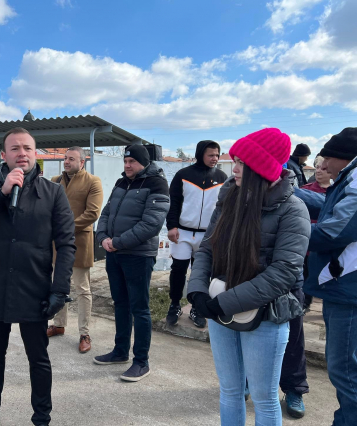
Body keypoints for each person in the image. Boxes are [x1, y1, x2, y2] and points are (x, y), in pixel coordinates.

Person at [187, 128, 310, 426]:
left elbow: (283, 273)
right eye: (235, 161)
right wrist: (197, 290)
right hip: (220, 307)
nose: (234, 168)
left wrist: (223, 303)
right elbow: (208, 248)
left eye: (243, 162)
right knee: (230, 391)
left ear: (262, 167)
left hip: (265, 316)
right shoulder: (229, 199)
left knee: (264, 398)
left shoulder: (293, 209)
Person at [0, 128, 75, 426]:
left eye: (27, 148)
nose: (21, 153)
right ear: (4, 155)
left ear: (35, 153)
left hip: (34, 287)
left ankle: (41, 417)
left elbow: (66, 245)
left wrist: (59, 290)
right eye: (14, 148)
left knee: (38, 357)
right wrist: (1, 192)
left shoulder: (53, 192)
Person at [294, 127, 357, 426]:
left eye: (327, 158)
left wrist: (288, 230)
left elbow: (335, 230)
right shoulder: (347, 178)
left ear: (344, 157)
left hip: (348, 290)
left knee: (344, 370)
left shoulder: (355, 179)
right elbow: (330, 207)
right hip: (343, 287)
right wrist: (293, 192)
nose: (323, 164)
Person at [94, 145, 170, 382]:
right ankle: (120, 351)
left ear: (144, 163)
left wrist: (117, 242)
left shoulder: (157, 184)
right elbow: (106, 213)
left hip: (138, 255)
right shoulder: (121, 183)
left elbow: (151, 224)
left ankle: (141, 362)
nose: (127, 166)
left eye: (132, 162)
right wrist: (102, 237)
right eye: (125, 161)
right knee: (121, 304)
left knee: (139, 308)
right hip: (114, 253)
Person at [47, 146, 103, 353]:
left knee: (82, 289)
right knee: (58, 285)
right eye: (65, 158)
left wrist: (65, 228)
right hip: (56, 244)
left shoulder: (92, 181)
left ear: (82, 162)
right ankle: (58, 324)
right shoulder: (55, 181)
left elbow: (92, 213)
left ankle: (84, 333)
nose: (66, 162)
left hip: (79, 241)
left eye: (71, 159)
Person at [165, 140, 227, 328]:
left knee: (201, 273)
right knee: (178, 269)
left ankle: (196, 308)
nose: (215, 158)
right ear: (201, 154)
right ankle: (175, 304)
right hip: (183, 233)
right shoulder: (183, 175)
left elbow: (226, 207)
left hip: (208, 235)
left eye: (217, 155)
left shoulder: (222, 177)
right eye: (211, 155)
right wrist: (172, 226)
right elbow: (173, 202)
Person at [301, 155, 331, 311]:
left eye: (323, 168)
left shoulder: (338, 191)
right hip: (307, 246)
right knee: (305, 278)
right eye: (317, 167)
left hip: (326, 246)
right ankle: (304, 305)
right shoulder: (305, 190)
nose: (318, 171)